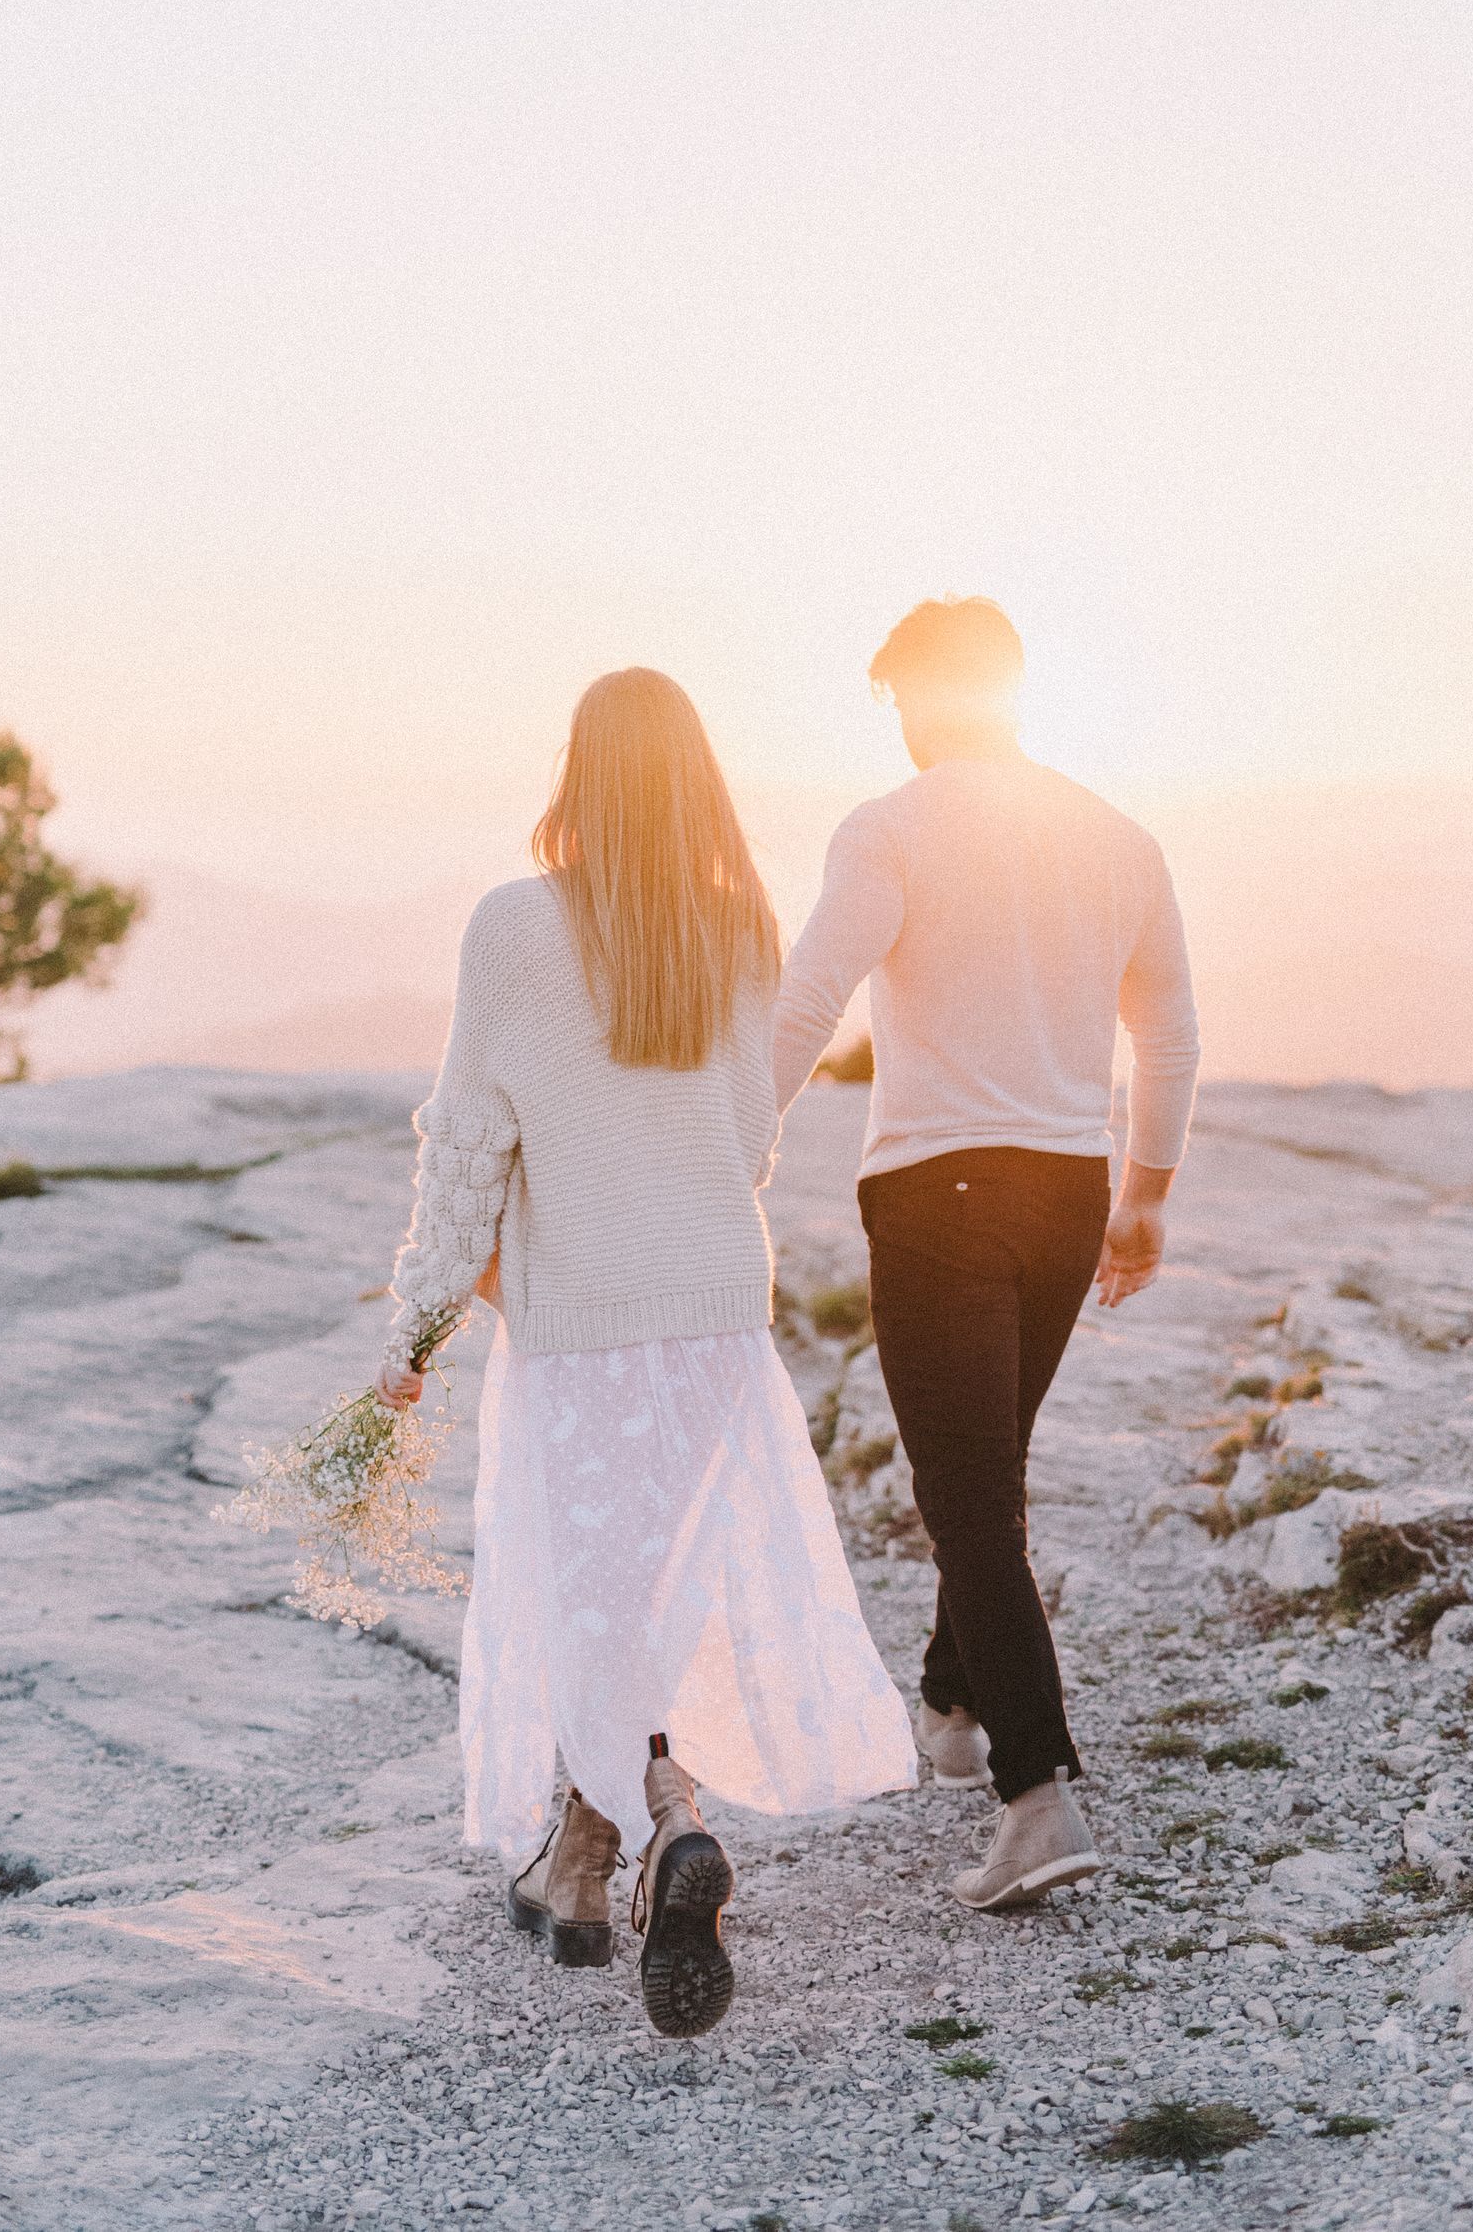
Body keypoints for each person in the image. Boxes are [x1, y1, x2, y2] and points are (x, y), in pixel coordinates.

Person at [378, 668, 914, 2036]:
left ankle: (665, 1821)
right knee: (639, 1598)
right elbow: (745, 1139)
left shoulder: (514, 927)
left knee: (585, 1595)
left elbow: (467, 1146)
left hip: (586, 1326)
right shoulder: (734, 927)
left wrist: (415, 1333)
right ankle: (577, 1872)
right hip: (715, 1319)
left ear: (579, 772)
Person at [773, 598, 1200, 1912]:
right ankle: (952, 1708)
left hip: (938, 1196)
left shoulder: (889, 828)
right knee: (988, 1473)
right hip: (1068, 1194)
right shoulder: (1117, 838)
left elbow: (808, 997)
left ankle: (1037, 1795)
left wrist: (730, 1148)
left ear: (914, 697)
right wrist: (1142, 1198)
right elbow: (1170, 1032)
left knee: (968, 1501)